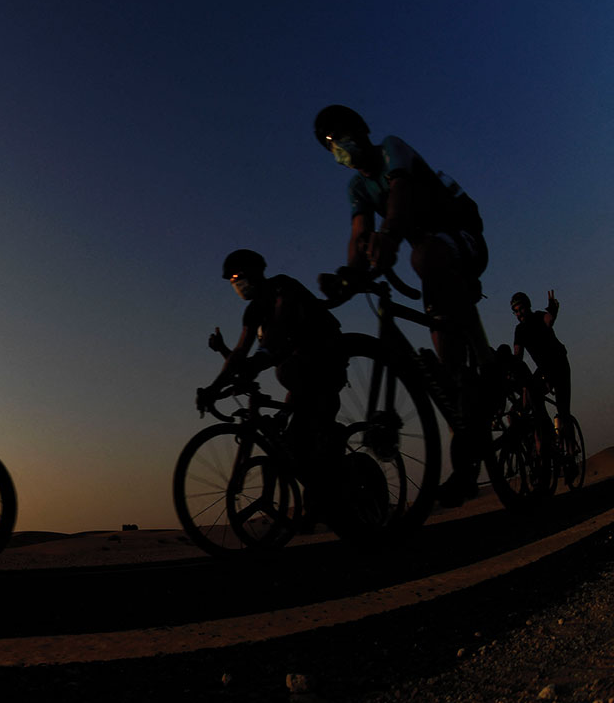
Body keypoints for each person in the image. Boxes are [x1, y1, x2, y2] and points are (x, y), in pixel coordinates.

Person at [313, 104, 489, 505]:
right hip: (430, 254)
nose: (338, 145)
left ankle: (488, 369)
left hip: (462, 234)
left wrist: (389, 235)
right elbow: (360, 235)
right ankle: (465, 466)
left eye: (342, 135)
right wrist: (345, 278)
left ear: (362, 131)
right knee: (449, 375)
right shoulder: (357, 188)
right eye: (330, 144)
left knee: (423, 257)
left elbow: (401, 194)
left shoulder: (392, 149)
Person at [198, 249, 346, 525]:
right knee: (284, 446)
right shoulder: (253, 312)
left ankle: (328, 491)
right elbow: (241, 355)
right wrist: (213, 386)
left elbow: (275, 334)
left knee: (310, 436)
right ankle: (308, 503)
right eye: (231, 280)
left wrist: (257, 359)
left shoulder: (282, 287)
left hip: (325, 365)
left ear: (254, 273)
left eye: (237, 277)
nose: (236, 284)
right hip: (299, 384)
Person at [511, 290, 571, 432]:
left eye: (521, 309)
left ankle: (569, 447)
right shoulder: (519, 330)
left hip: (559, 365)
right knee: (533, 396)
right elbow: (517, 355)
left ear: (528, 306)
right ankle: (547, 431)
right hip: (544, 369)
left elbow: (549, 320)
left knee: (563, 411)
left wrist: (552, 308)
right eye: (516, 312)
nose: (519, 314)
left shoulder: (538, 316)